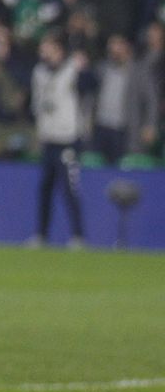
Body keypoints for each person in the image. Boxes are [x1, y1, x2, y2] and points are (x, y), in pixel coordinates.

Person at [29, 34, 90, 248]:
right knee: (45, 189)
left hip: (68, 139)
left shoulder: (73, 69)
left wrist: (84, 69)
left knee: (69, 189)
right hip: (48, 138)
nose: (43, 51)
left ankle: (78, 235)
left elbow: (91, 85)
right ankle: (41, 234)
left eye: (47, 47)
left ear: (59, 49)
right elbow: (37, 104)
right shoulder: (39, 72)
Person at [92, 34, 158, 165]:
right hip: (102, 125)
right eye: (111, 47)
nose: (113, 51)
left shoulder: (139, 71)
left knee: (121, 165)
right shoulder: (102, 68)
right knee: (99, 165)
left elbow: (151, 100)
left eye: (117, 46)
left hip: (123, 127)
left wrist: (150, 125)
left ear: (126, 48)